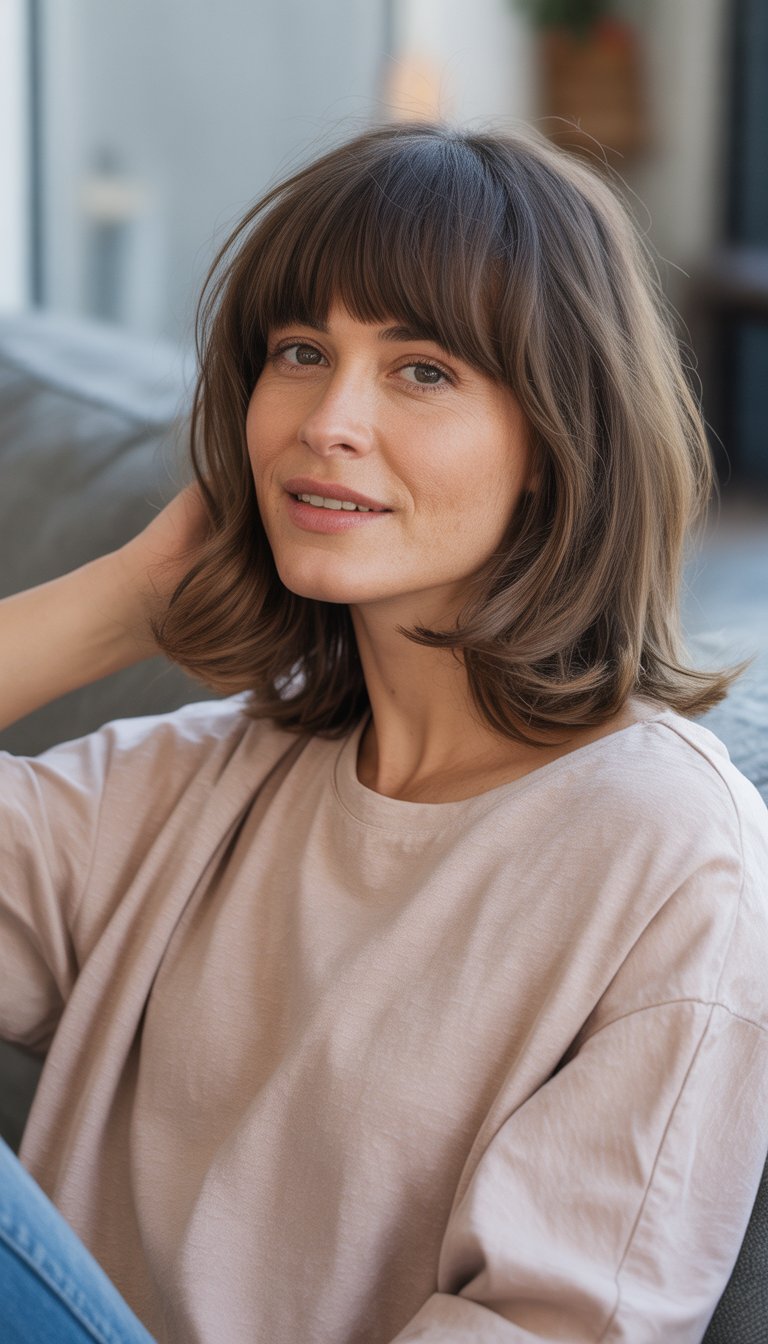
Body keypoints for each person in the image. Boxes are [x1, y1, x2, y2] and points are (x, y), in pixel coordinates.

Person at [1, 118, 767, 1344]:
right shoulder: (200, 784)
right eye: (301, 351)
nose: (326, 420)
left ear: (553, 441)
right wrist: (123, 603)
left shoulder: (667, 851)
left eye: (421, 370)